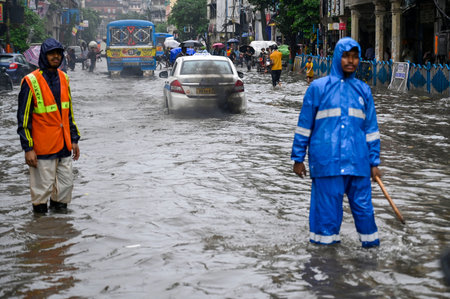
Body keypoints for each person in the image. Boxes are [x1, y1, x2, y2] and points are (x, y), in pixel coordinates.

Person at [291, 37, 381, 248]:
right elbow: (304, 126)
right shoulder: (318, 88)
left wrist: (374, 162)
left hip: (358, 163)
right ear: (337, 58)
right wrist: (298, 158)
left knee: (365, 213)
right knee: (327, 217)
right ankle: (326, 264)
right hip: (327, 163)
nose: (351, 61)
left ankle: (371, 262)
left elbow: (371, 130)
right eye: (346, 56)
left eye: (355, 57)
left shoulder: (363, 90)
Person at [17, 38, 81, 214]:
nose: (56, 57)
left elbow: (68, 113)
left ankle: (59, 232)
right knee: (41, 193)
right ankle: (42, 233)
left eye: (58, 54)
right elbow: (23, 119)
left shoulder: (64, 78)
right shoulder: (30, 82)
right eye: (51, 54)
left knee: (65, 187)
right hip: (42, 148)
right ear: (44, 56)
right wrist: (28, 148)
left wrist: (74, 139)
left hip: (64, 144)